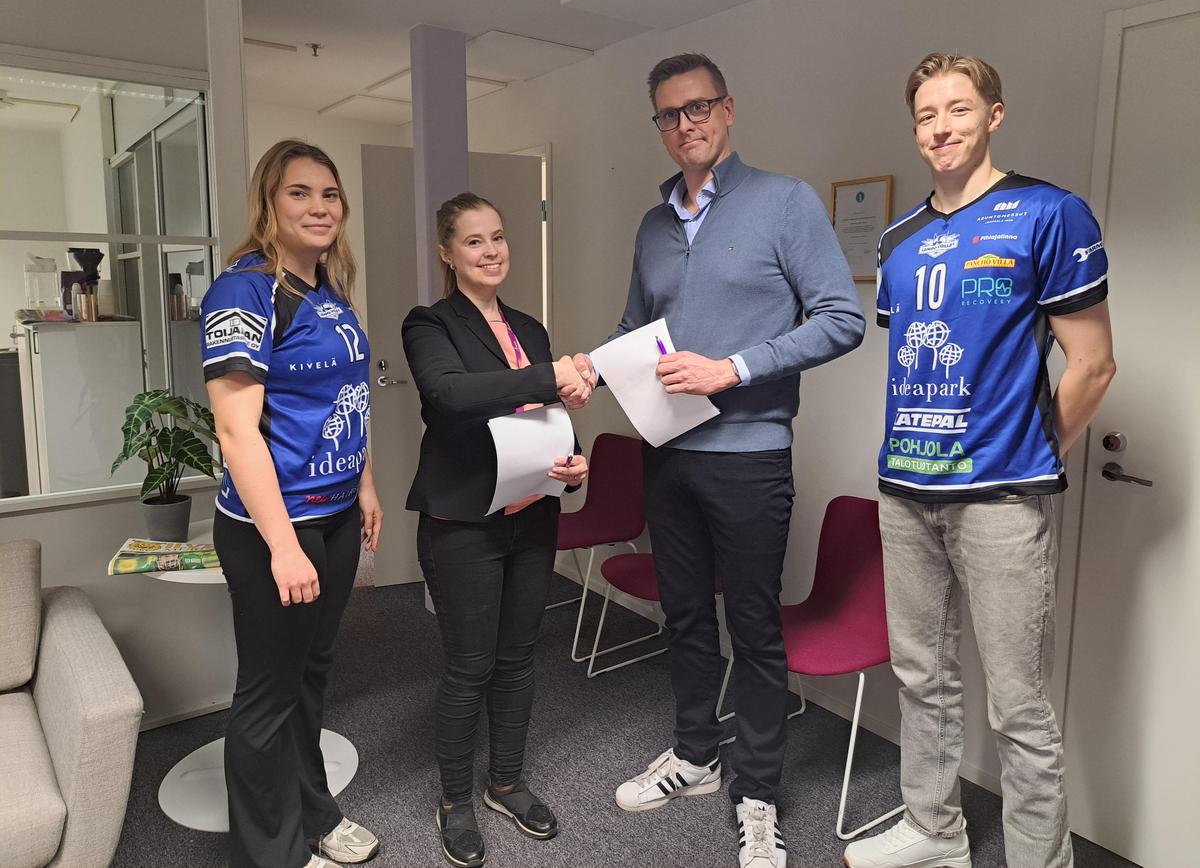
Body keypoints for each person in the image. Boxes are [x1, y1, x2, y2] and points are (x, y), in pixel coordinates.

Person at [574, 53, 864, 868]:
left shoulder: (785, 202)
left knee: (754, 626)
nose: (685, 125)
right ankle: (696, 756)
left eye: (698, 107)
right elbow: (634, 328)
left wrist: (731, 369)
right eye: (668, 114)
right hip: (668, 454)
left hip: (749, 458)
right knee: (686, 616)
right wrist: (589, 367)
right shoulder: (653, 225)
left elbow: (842, 318)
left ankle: (757, 793)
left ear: (728, 110)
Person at [843, 53, 1116, 868]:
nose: (941, 128)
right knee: (921, 678)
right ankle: (935, 831)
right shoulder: (899, 239)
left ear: (993, 115)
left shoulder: (1048, 213)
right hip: (904, 489)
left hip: (999, 498)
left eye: (958, 109)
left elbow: (1093, 364)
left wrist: (1030, 450)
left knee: (1019, 704)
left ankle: (1039, 859)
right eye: (926, 115)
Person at [201, 139, 383, 868]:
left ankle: (315, 813)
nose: (319, 207)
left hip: (334, 515)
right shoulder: (244, 291)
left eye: (329, 194)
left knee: (310, 676)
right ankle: (269, 853)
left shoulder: (329, 291)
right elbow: (236, 432)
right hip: (276, 527)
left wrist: (363, 483)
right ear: (268, 203)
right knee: (268, 693)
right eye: (299, 193)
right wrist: (282, 545)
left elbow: (345, 399)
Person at [402, 192, 591, 868]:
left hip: (532, 514)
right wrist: (549, 377)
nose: (491, 251)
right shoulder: (430, 324)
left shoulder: (530, 328)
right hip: (464, 522)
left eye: (499, 237)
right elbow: (450, 395)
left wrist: (574, 463)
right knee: (470, 666)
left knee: (518, 658)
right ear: (448, 253)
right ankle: (455, 800)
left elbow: (547, 415)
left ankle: (505, 783)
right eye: (474, 241)